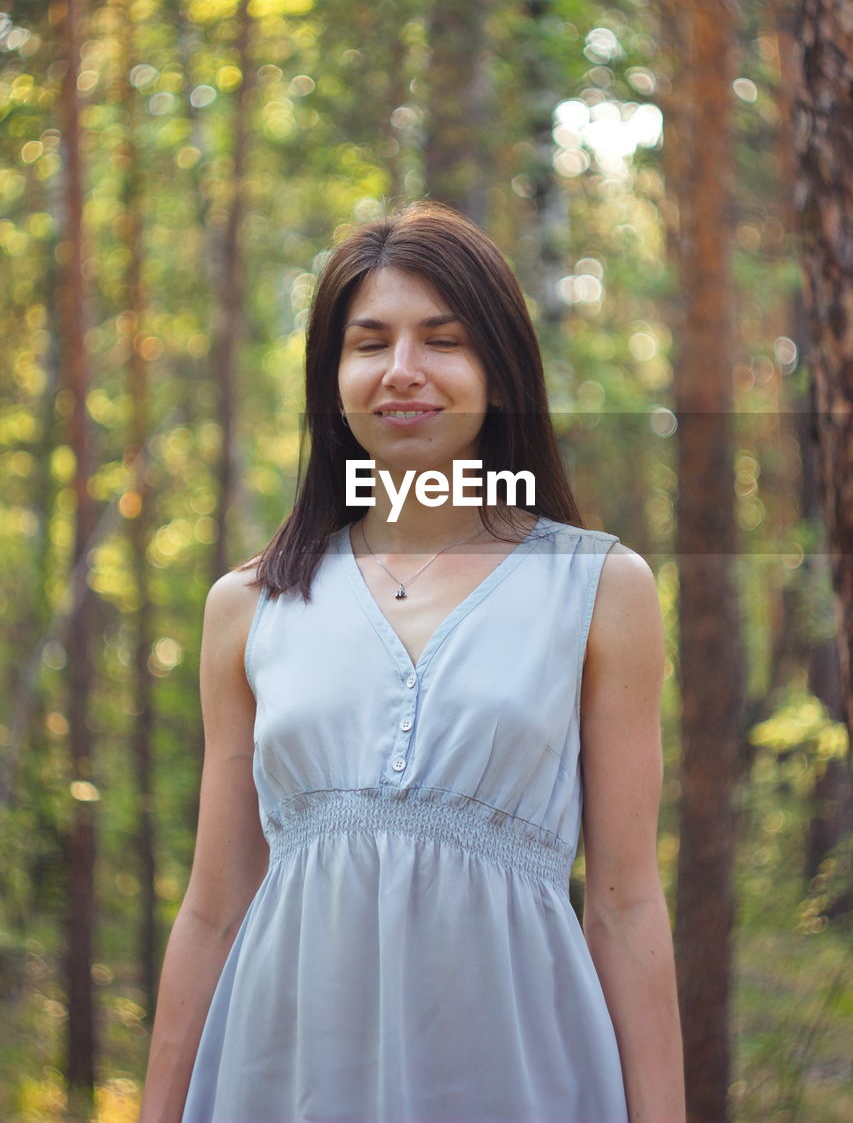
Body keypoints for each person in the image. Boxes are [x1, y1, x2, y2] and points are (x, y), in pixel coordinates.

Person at [139, 200, 686, 1123]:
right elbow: (212, 907)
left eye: (442, 340)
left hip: (519, 1073)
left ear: (499, 369)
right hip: (287, 1074)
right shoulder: (248, 606)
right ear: (331, 375)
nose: (402, 373)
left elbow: (626, 905)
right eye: (369, 343)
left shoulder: (600, 586)